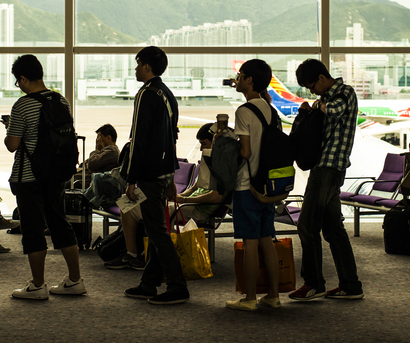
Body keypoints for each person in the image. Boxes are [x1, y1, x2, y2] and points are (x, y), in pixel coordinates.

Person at [5, 54, 85, 300]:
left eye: (18, 82)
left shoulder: (22, 105)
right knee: (60, 223)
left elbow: (12, 144)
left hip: (29, 176)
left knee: (33, 229)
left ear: (23, 79)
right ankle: (75, 280)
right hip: (56, 174)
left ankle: (38, 285)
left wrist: (10, 128)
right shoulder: (61, 101)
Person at [290, 58, 364, 301]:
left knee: (306, 225)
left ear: (322, 77)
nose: (312, 91)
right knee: (333, 230)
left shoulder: (344, 92)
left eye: (311, 86)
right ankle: (350, 285)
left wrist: (318, 106)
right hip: (323, 167)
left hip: (329, 167)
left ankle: (313, 283)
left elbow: (334, 110)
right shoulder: (324, 99)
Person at [122, 46, 189, 305]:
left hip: (149, 173)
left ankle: (177, 286)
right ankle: (148, 283)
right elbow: (172, 137)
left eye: (138, 64)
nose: (136, 69)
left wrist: (131, 179)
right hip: (163, 172)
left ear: (147, 66)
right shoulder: (167, 94)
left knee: (157, 231)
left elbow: (139, 139)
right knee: (154, 228)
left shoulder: (146, 94)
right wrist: (171, 175)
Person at [106, 124, 223, 270]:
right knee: (126, 203)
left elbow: (215, 197)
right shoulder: (209, 162)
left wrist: (184, 200)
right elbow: (195, 187)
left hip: (196, 209)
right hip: (187, 203)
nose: (201, 149)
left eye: (204, 144)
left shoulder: (222, 167)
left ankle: (143, 255)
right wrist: (178, 196)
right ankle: (133, 252)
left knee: (142, 208)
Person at [226, 59, 282, 311]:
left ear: (249, 80)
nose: (237, 79)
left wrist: (227, 142)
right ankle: (273, 295)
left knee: (249, 242)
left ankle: (249, 298)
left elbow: (246, 152)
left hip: (247, 185)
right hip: (268, 186)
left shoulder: (244, 111)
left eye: (240, 75)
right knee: (266, 239)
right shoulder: (272, 110)